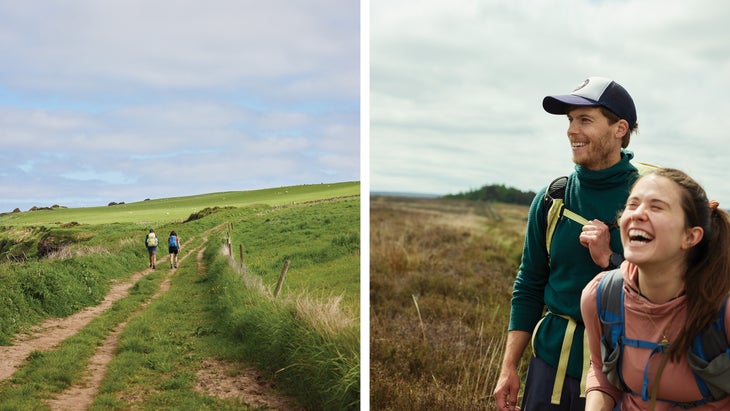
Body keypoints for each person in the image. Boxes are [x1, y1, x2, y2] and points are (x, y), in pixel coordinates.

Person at [493, 76, 643, 411]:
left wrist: (611, 259)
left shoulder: (648, 200)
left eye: (585, 120)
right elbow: (529, 284)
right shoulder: (551, 200)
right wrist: (508, 368)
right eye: (570, 120)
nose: (572, 130)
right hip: (549, 366)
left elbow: (674, 286)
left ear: (620, 128)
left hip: (622, 372)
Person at [580, 168, 730, 410]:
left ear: (690, 237)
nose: (638, 214)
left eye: (656, 207)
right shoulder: (601, 295)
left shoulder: (723, 308)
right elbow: (600, 370)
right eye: (632, 204)